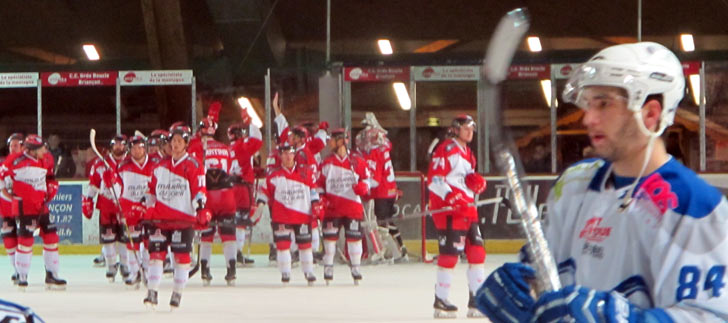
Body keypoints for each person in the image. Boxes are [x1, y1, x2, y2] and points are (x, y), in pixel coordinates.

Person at [477, 42, 728, 322]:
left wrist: (622, 319)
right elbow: (542, 278)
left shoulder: (696, 206)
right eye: (588, 103)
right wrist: (520, 290)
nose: (588, 118)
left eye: (604, 103)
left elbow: (710, 316)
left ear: (650, 114)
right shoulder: (574, 184)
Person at [427, 114, 487, 318]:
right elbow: (434, 180)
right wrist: (450, 196)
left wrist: (474, 182)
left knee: (477, 252)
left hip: (468, 209)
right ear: (455, 129)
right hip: (451, 211)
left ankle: (477, 300)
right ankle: (441, 299)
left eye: (472, 128)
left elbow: (463, 180)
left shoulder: (469, 153)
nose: (470, 132)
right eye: (466, 128)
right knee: (450, 255)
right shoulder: (446, 149)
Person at [142, 124, 209, 308]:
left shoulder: (194, 165)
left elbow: (199, 191)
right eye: (173, 141)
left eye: (180, 141)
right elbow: (151, 191)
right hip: (160, 219)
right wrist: (146, 207)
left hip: (183, 220)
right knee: (155, 256)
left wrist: (200, 208)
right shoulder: (159, 166)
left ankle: (177, 293)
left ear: (186, 143)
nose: (176, 145)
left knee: (181, 259)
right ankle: (152, 292)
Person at [1, 134, 66, 290]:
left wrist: (52, 186)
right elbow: (2, 180)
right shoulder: (15, 160)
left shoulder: (47, 159)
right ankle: (21, 275)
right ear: (33, 150)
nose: (45, 149)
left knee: (51, 236)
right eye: (42, 147)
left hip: (41, 205)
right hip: (25, 207)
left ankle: (52, 274)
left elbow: (49, 177)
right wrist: (11, 197)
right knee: (25, 240)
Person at [257, 142, 321, 285]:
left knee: (305, 245)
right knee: (283, 246)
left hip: (302, 215)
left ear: (295, 155)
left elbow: (313, 191)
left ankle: (308, 271)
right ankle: (285, 273)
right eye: (285, 154)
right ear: (280, 156)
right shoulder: (273, 175)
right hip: (282, 217)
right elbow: (265, 193)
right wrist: (259, 206)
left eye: (290, 153)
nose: (288, 156)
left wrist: (316, 204)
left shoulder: (306, 173)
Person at [192, 116, 240, 286]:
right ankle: (231, 270)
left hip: (208, 196)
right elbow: (234, 171)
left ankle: (205, 270)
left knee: (206, 235)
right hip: (226, 195)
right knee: (228, 235)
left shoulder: (196, 147)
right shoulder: (226, 148)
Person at [318, 128, 370, 285]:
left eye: (333, 139)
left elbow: (367, 179)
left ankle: (355, 267)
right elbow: (319, 185)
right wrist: (321, 199)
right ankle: (328, 266)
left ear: (341, 141)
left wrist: (363, 186)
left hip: (352, 208)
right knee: (329, 240)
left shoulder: (357, 161)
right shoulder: (326, 163)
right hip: (332, 210)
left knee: (354, 239)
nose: (329, 143)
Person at [356, 113, 407, 262]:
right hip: (388, 190)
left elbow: (376, 180)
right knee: (386, 221)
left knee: (381, 223)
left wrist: (363, 185)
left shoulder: (376, 153)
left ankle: (388, 250)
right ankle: (399, 249)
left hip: (382, 192)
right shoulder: (381, 150)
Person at [83, 134, 131, 282]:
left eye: (121, 144)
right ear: (111, 146)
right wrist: (88, 199)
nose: (119, 147)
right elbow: (94, 185)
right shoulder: (100, 164)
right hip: (106, 206)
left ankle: (125, 265)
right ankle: (111, 266)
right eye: (116, 144)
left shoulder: (130, 163)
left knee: (124, 239)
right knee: (108, 239)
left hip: (125, 206)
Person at [115, 135, 154, 288]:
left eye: (140, 147)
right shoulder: (123, 166)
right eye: (134, 148)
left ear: (144, 148)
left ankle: (147, 271)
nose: (137, 150)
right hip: (130, 208)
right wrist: (112, 181)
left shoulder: (154, 164)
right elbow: (118, 189)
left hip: (149, 208)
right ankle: (134, 272)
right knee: (132, 242)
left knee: (148, 241)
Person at [228, 106, 263, 267]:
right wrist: (250, 122)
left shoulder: (228, 149)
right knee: (242, 218)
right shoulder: (243, 145)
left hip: (230, 187)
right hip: (242, 188)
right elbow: (258, 140)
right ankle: (238, 253)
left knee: (234, 219)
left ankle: (233, 253)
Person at [1, 133, 24, 284]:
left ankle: (23, 270)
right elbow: (2, 189)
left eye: (16, 146)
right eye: (11, 146)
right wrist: (13, 199)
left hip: (23, 209)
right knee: (9, 239)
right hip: (6, 208)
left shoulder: (28, 164)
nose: (12, 148)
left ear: (22, 147)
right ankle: (16, 270)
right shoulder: (3, 165)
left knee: (23, 239)